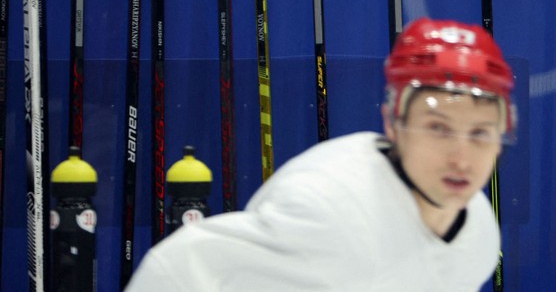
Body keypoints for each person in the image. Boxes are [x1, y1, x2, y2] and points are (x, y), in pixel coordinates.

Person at [126, 17, 517, 291]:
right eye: (437, 128)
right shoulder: (328, 209)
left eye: (481, 133)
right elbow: (177, 269)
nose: (462, 159)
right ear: (392, 123)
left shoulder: (478, 230)